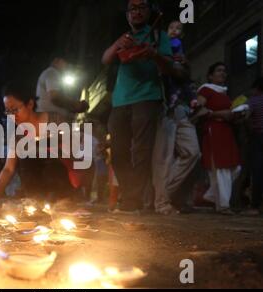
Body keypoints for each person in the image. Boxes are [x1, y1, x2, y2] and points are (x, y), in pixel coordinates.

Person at [102, 0, 181, 215]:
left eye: (141, 8)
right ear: (127, 15)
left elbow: (171, 67)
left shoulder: (158, 35)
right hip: (120, 100)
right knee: (118, 151)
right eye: (132, 9)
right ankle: (130, 196)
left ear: (149, 12)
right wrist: (118, 43)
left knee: (141, 151)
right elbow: (106, 59)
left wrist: (153, 54)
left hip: (147, 97)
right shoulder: (124, 37)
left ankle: (132, 201)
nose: (136, 12)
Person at [0, 81, 93, 203]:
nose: (12, 116)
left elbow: (74, 154)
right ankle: (36, 201)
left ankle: (65, 199)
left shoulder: (55, 121)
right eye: (8, 111)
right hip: (37, 194)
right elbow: (8, 169)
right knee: (27, 160)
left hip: (63, 183)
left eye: (15, 109)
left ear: (30, 104)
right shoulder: (18, 136)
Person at [152, 21, 201, 215]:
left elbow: (186, 79)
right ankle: (161, 202)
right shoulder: (162, 51)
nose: (174, 32)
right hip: (166, 107)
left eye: (178, 29)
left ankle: (164, 193)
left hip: (182, 108)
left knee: (193, 152)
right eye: (170, 28)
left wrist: (193, 99)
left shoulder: (181, 53)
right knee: (163, 157)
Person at [196, 62, 241, 215]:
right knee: (221, 167)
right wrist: (218, 114)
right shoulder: (206, 89)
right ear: (210, 75)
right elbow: (199, 109)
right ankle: (223, 205)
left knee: (235, 167)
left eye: (224, 71)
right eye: (219, 70)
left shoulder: (223, 93)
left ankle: (211, 196)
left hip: (226, 130)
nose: (223, 73)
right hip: (214, 129)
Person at [36, 54, 89, 119]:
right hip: (51, 118)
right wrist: (75, 104)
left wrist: (74, 107)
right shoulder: (52, 72)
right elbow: (54, 97)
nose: (66, 65)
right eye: (65, 62)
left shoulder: (53, 74)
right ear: (56, 60)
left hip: (51, 119)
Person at [246, 77, 263, 214]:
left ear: (257, 88)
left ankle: (254, 206)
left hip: (258, 138)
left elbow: (245, 116)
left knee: (257, 171)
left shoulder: (253, 101)